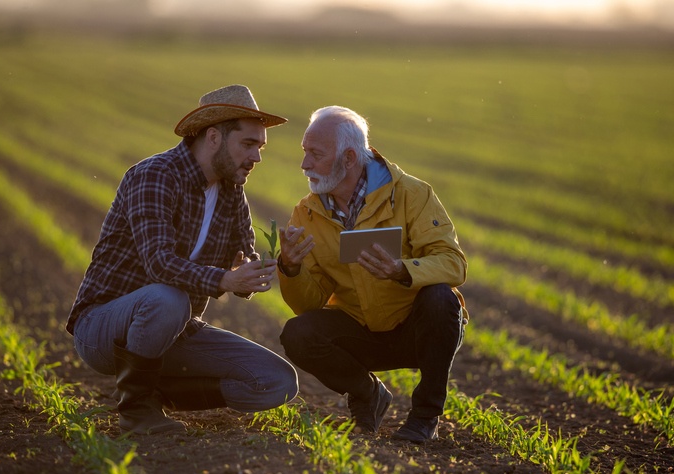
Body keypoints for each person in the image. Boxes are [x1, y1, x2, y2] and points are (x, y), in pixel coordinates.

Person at [66, 85, 299, 435]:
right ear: (214, 137)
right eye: (248, 144)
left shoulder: (233, 192)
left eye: (260, 147)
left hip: (177, 328)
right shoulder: (155, 175)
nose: (257, 157)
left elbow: (244, 257)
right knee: (168, 296)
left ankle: (156, 392)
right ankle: (135, 412)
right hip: (104, 328)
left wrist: (264, 267)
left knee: (278, 381)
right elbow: (159, 263)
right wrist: (224, 279)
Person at [277, 106, 468, 443]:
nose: (304, 164)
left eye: (315, 155)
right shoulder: (306, 213)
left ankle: (425, 416)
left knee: (441, 298)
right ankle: (367, 394)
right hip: (360, 333)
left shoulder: (412, 194)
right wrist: (290, 269)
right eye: (304, 153)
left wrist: (402, 270)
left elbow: (453, 263)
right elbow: (310, 302)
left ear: (349, 158)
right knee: (298, 333)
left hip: (417, 331)